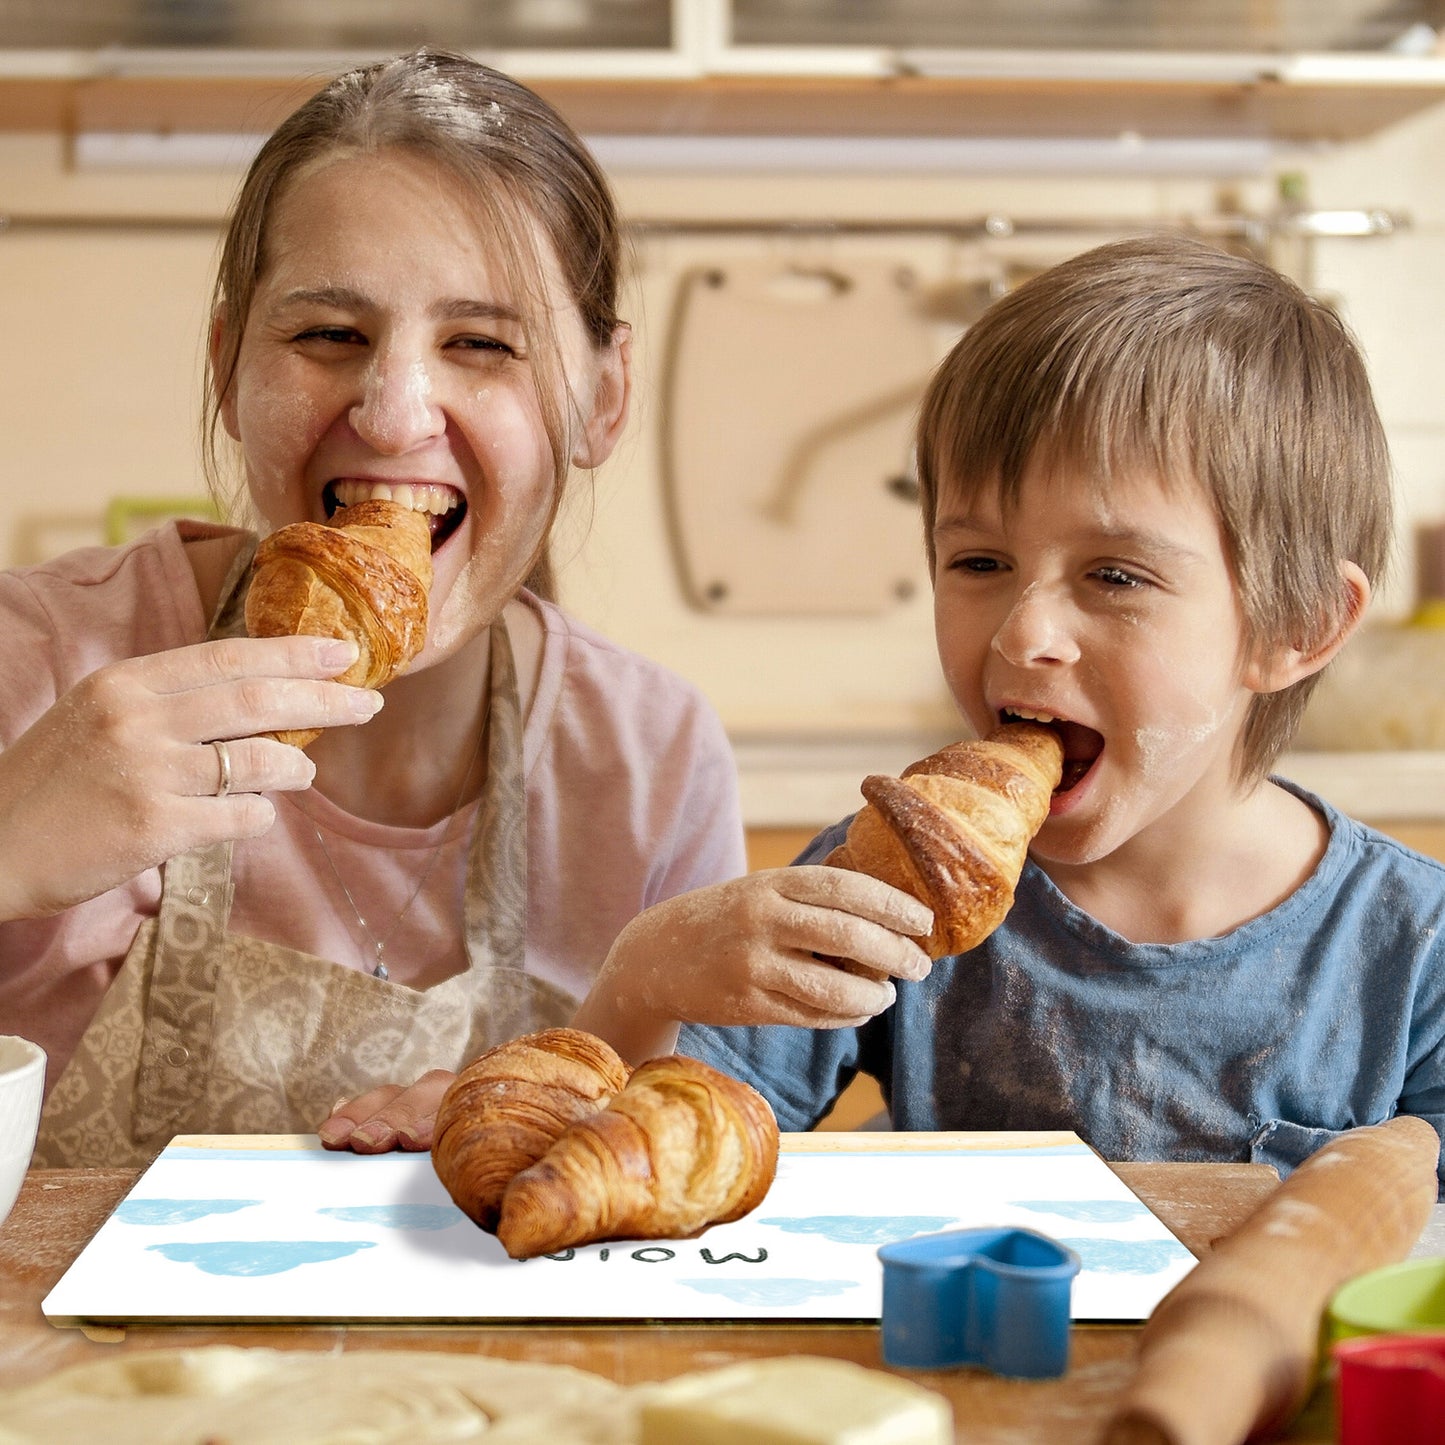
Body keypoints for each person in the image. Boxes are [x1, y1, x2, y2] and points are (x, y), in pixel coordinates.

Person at [5, 48, 749, 1168]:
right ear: (226, 367)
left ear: (601, 398)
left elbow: (690, 1171)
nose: (397, 413)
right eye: (326, 335)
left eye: (482, 344)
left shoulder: (647, 760)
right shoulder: (42, 662)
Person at [583, 233, 1445, 1189]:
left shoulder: (1414, 951)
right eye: (980, 563)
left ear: (1297, 624)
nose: (1022, 632)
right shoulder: (890, 879)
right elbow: (652, 1155)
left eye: (1114, 574)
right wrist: (642, 975)